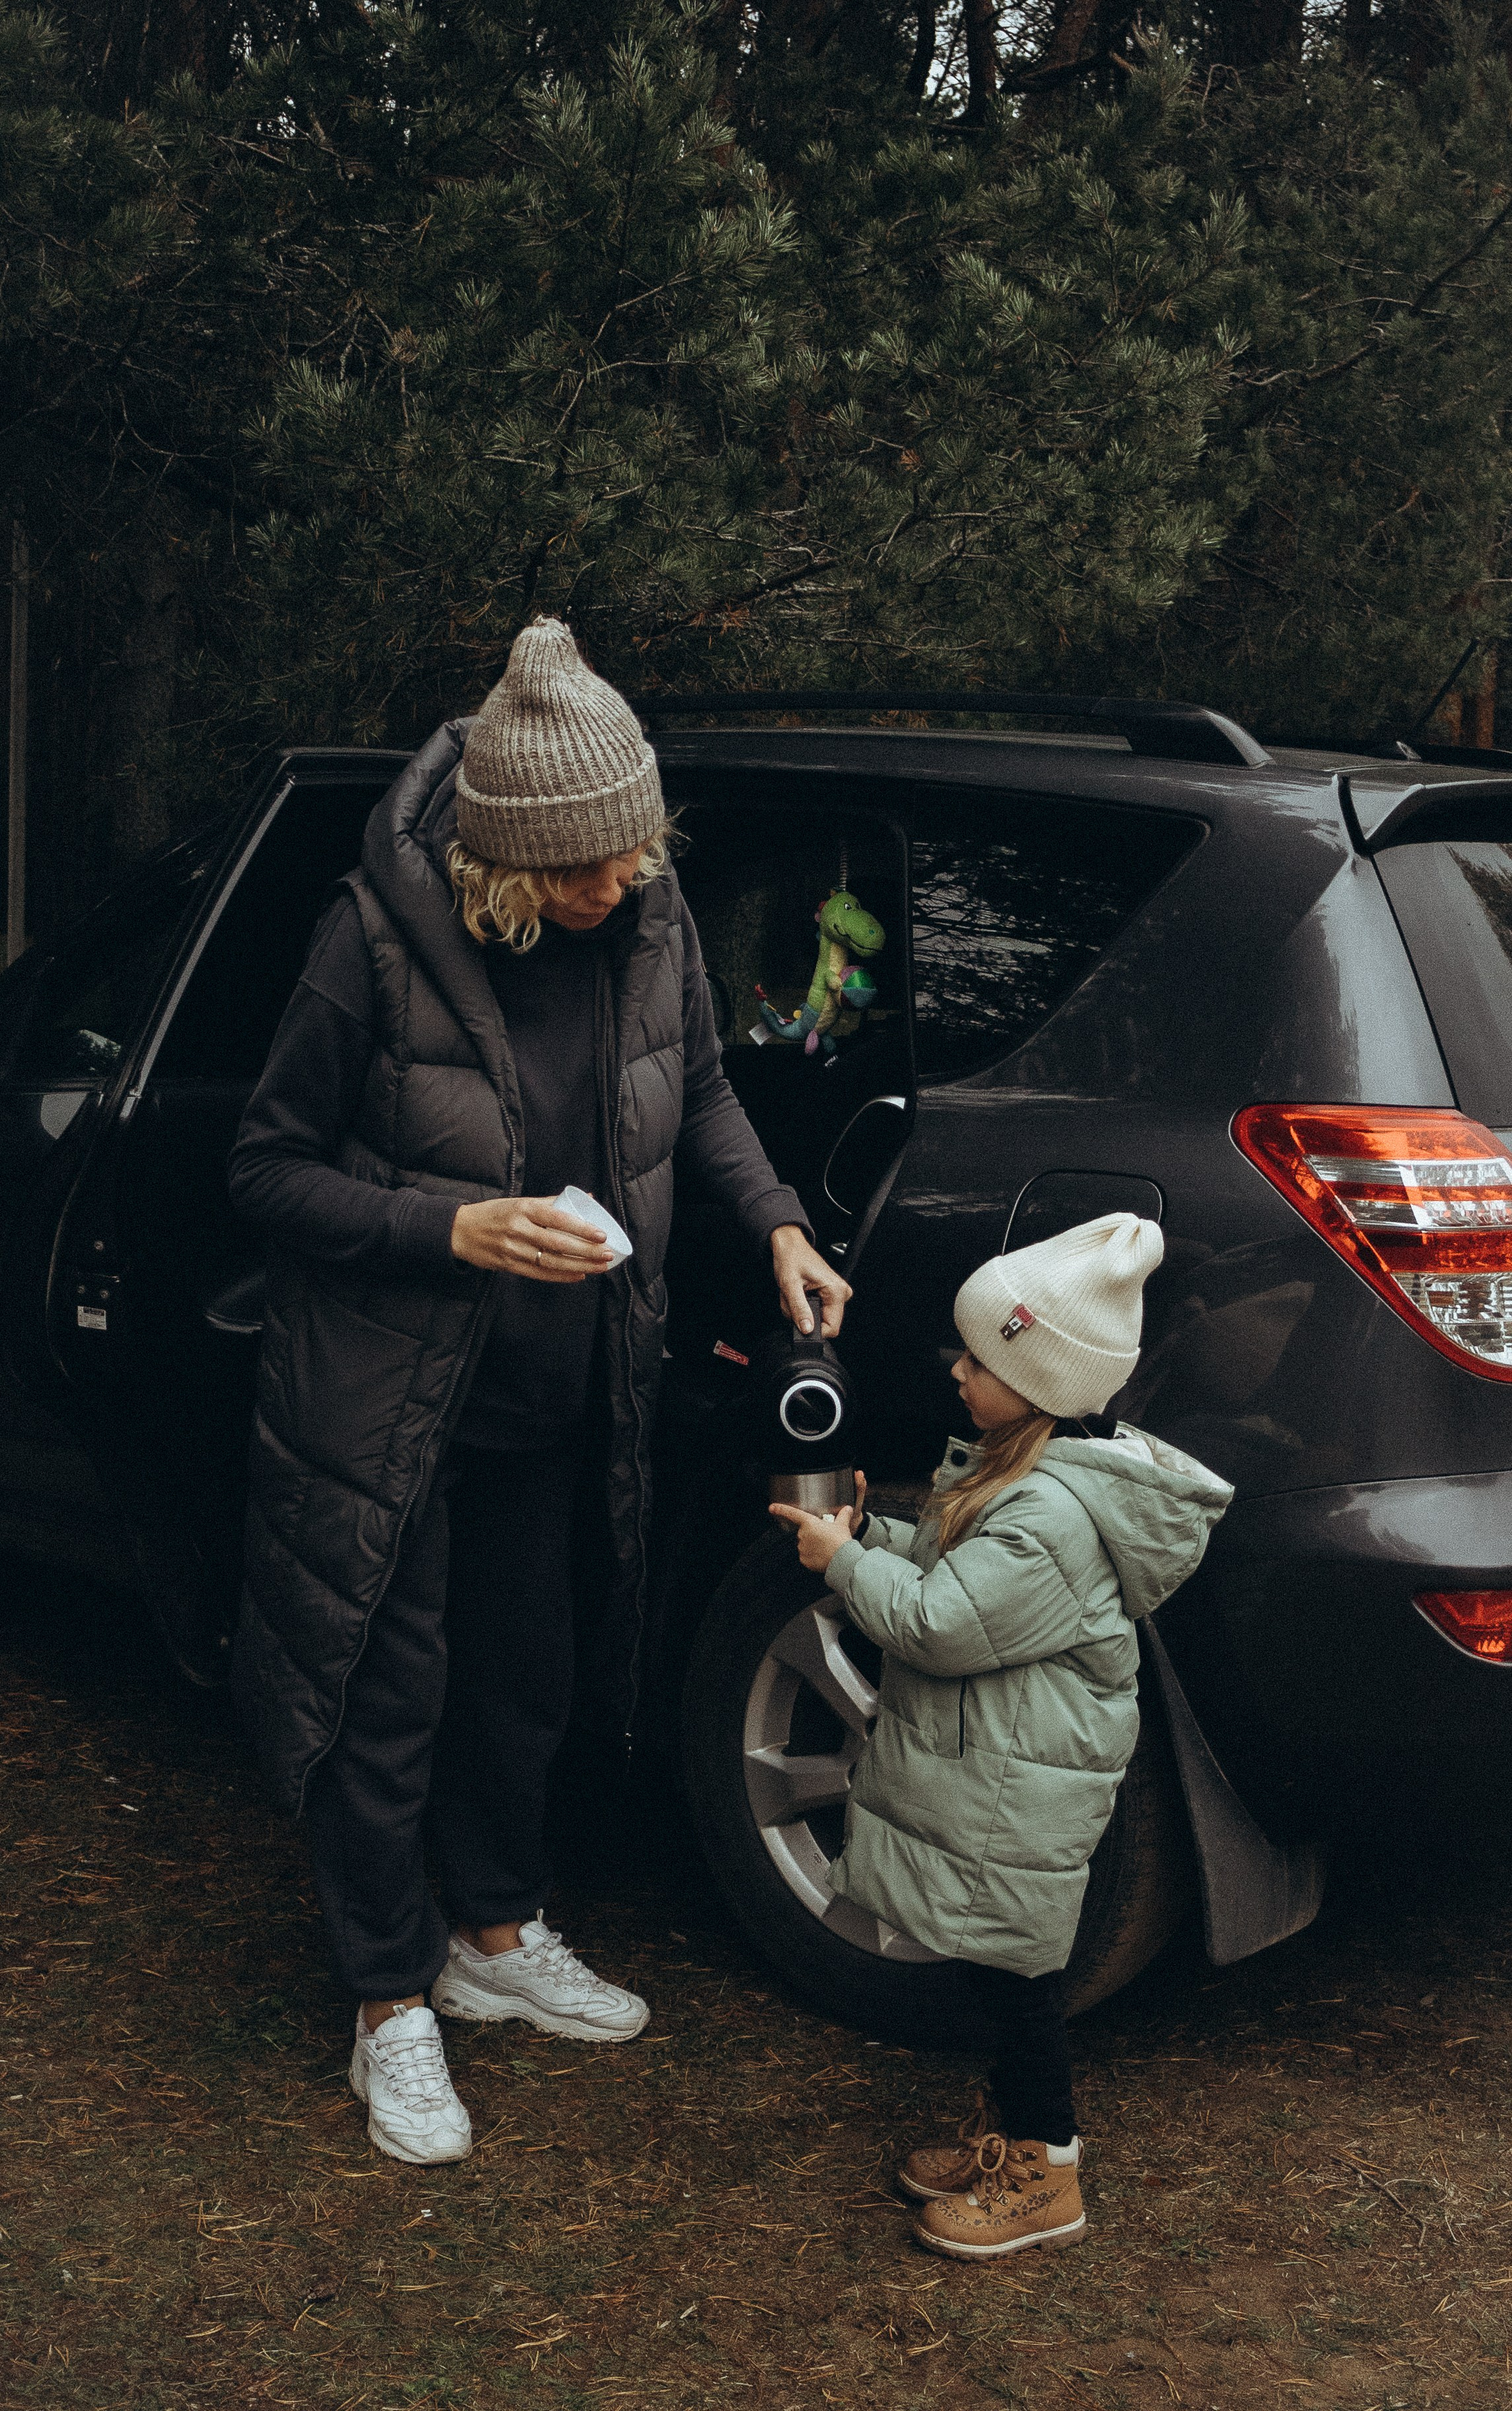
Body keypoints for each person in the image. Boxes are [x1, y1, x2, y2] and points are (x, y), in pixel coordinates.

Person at [229, 618, 847, 2166]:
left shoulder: (648, 914)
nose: (617, 884)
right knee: (386, 1706)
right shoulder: (369, 943)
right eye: (581, 866)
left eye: (634, 851)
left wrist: (776, 1221)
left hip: (559, 1390)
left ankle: (492, 1941)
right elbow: (265, 1170)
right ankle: (388, 2005)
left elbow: (700, 1089)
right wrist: (451, 1229)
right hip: (386, 1403)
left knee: (523, 1682)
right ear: (497, 860)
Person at [770, 1213, 1230, 2260]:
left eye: (980, 1359)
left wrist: (845, 1565)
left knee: (1019, 1987)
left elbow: (939, 1625)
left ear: (1040, 1382)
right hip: (1002, 1777)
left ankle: (1045, 2173)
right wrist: (867, 1535)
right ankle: (1015, 2129)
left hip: (1020, 1795)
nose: (958, 1371)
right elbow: (960, 1581)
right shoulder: (1019, 1478)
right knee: (995, 1971)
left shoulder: (1050, 1517)